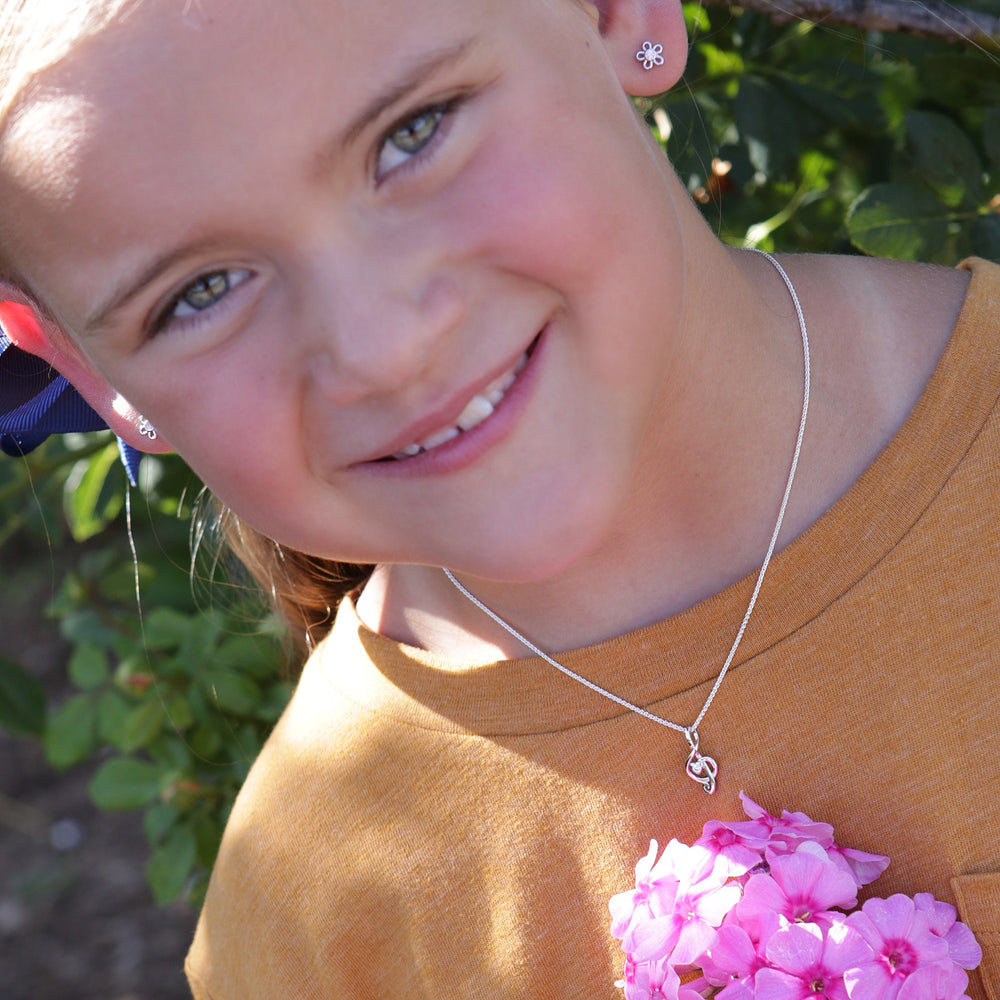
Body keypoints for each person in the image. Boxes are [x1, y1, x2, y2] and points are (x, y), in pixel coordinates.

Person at [0, 0, 997, 997]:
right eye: (201, 291)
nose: (381, 348)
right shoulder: (311, 923)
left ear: (613, 14)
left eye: (412, 132)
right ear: (90, 370)